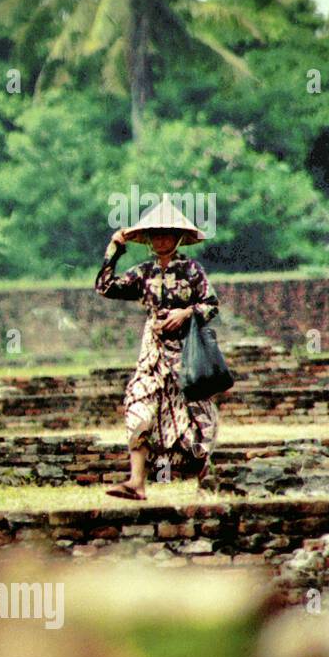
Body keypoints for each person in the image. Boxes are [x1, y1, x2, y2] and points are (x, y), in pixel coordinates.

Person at [95, 199, 220, 500]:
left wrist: (186, 313)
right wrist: (115, 249)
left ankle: (207, 478)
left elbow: (211, 305)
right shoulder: (143, 273)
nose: (161, 239)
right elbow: (106, 287)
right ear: (149, 239)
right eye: (156, 234)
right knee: (139, 408)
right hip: (152, 355)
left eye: (167, 233)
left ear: (177, 238)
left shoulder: (191, 270)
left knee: (197, 418)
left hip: (187, 354)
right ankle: (136, 481)